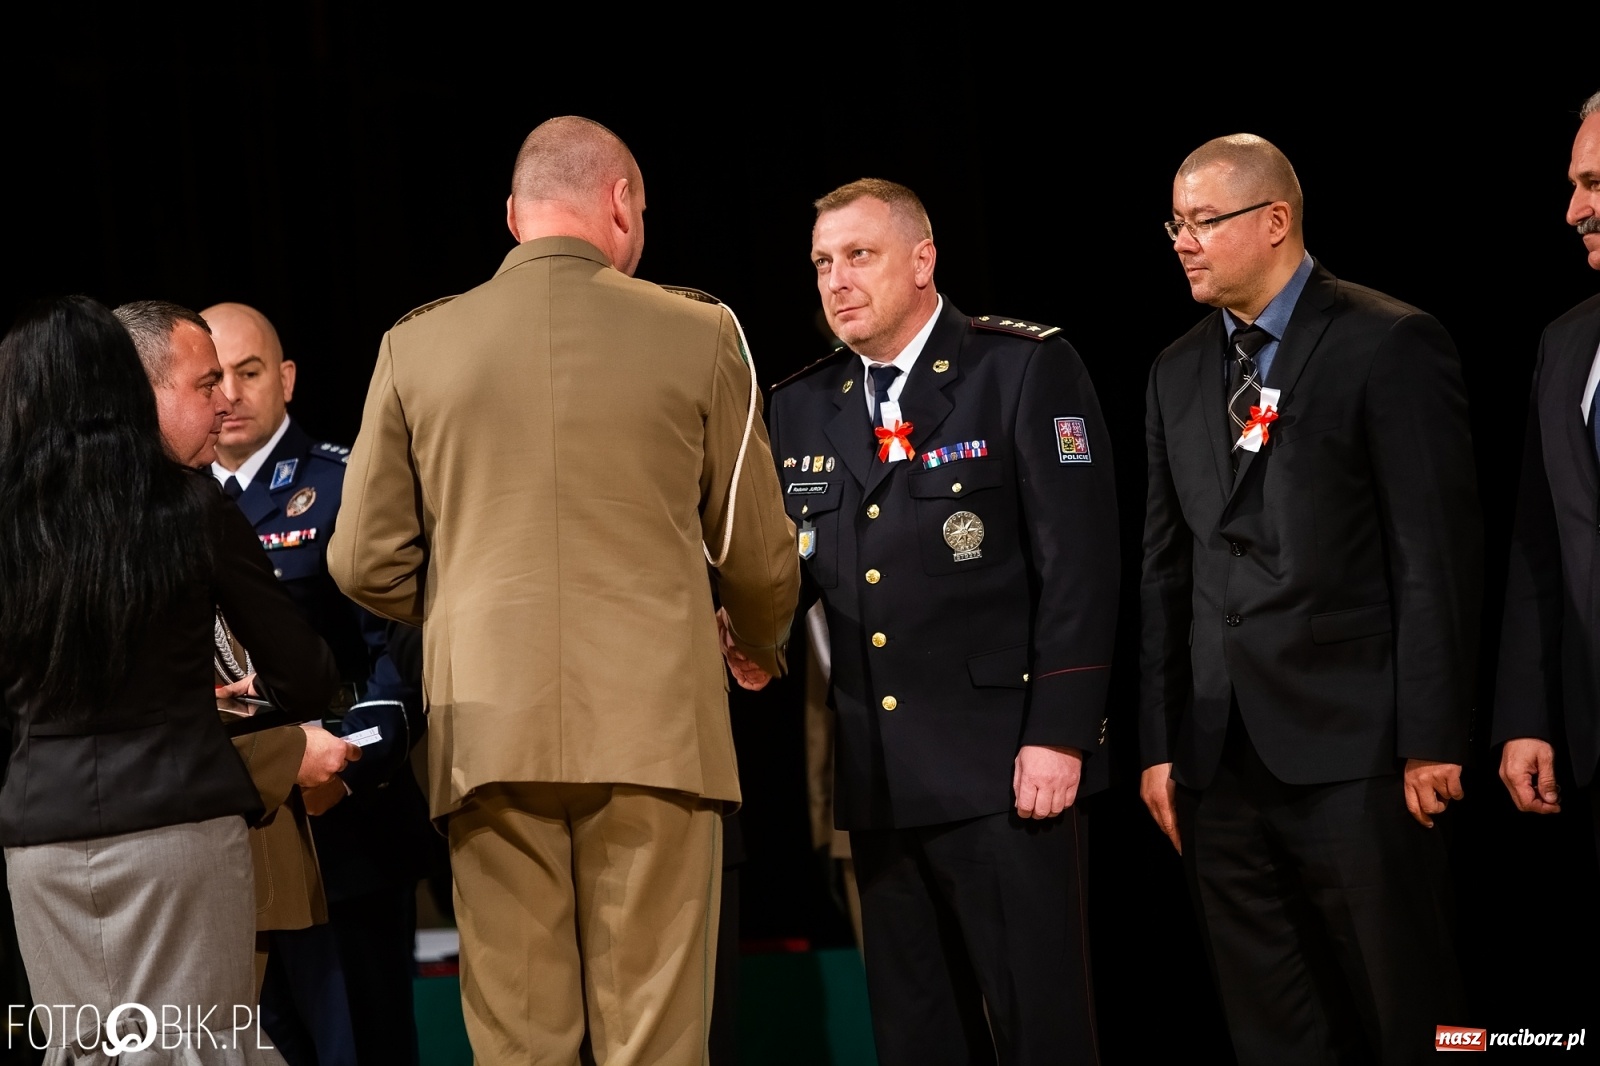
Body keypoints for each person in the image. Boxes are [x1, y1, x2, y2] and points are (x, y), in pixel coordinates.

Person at [328, 116, 799, 1065]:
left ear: (513, 215)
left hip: (488, 730)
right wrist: (759, 639)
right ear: (621, 204)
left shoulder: (415, 345)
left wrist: (466, 609)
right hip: (656, 730)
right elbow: (758, 554)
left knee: (518, 1044)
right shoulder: (699, 331)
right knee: (657, 1042)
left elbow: (361, 563)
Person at [1139, 135, 1480, 1064]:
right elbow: (1166, 568)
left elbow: (1432, 555)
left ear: (1275, 221)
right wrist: (1162, 744)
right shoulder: (1175, 369)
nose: (1184, 242)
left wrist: (1434, 735)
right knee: (1271, 1030)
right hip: (1219, 760)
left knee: (1417, 1014)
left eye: (1205, 221)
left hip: (1361, 749)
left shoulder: (1387, 339)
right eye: (1176, 223)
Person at [765, 178, 1118, 1065]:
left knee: (1040, 1031)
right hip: (882, 785)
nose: (836, 280)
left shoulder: (1021, 368)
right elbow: (791, 574)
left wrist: (1062, 735)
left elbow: (1080, 566)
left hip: (1008, 772)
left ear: (923, 261)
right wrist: (747, 637)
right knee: (917, 1038)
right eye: (821, 263)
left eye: (858, 255)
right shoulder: (802, 404)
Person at [0, 295, 343, 1062]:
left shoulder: (11, 521)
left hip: (40, 840)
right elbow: (305, 674)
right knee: (204, 1049)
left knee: (83, 1055)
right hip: (178, 828)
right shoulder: (190, 506)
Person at [202, 300, 430, 1066]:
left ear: (288, 379)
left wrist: (352, 761)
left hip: (338, 830)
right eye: (212, 377)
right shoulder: (172, 506)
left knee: (357, 1046)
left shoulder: (343, 483)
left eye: (250, 371)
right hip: (222, 839)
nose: (228, 393)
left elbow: (398, 651)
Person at [1495, 90, 1600, 854]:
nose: (1572, 210)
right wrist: (1526, 715)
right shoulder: (1565, 346)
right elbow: (1538, 547)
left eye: (1593, 184)